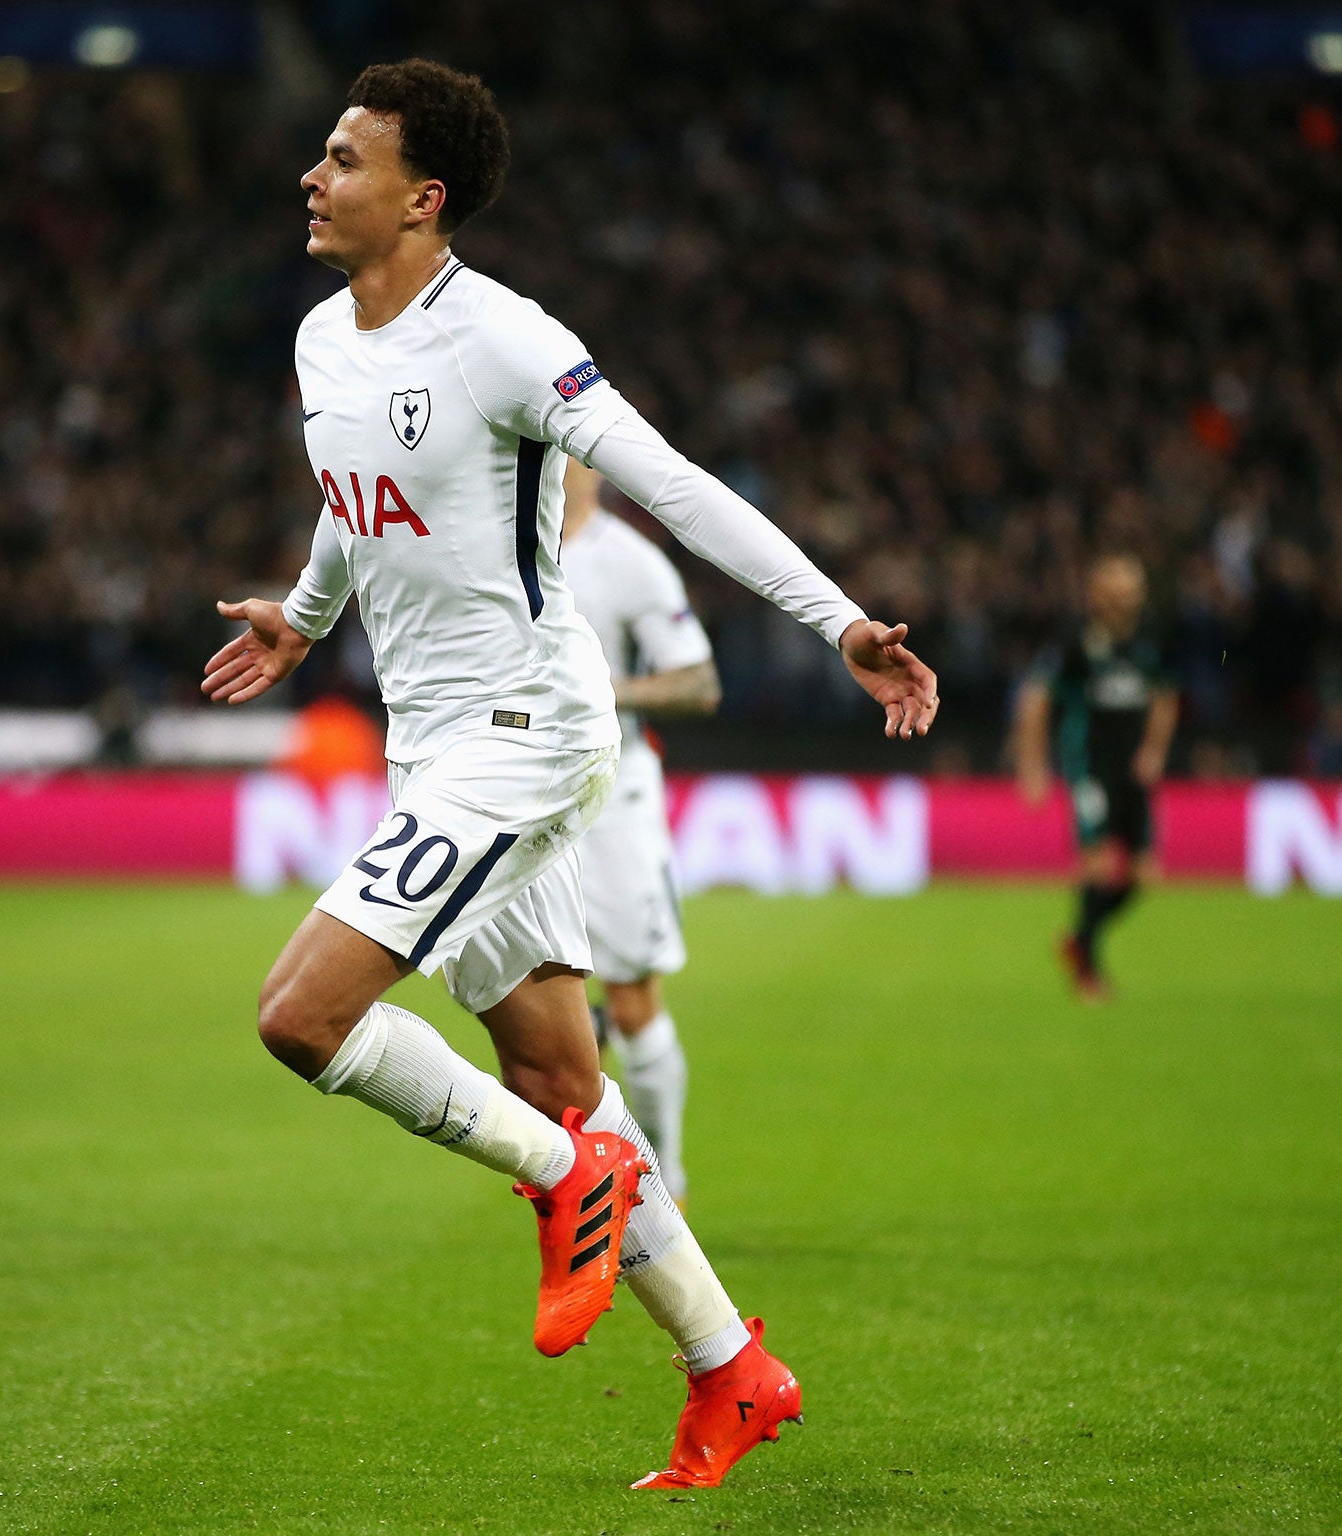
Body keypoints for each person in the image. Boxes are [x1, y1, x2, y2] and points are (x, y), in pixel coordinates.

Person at [202, 59, 938, 1490]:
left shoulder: (504, 338)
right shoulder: (319, 343)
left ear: (422, 199)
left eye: (345, 159)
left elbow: (668, 481)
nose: (314, 175)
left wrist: (839, 618)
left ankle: (567, 1184)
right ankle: (733, 1368)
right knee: (556, 1077)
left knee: (301, 1018)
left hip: (524, 736)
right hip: (436, 749)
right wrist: (301, 619)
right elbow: (361, 507)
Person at [559, 460, 718, 1207]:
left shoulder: (628, 561)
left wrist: (601, 690)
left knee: (629, 999)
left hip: (611, 802)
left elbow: (697, 681)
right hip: (516, 796)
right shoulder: (494, 540)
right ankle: (578, 1186)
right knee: (542, 1011)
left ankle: (667, 1184)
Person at [1013, 553, 1178, 1000]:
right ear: (1097, 595)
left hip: (1133, 772)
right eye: (1117, 591)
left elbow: (1165, 697)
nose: (1126, 600)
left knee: (1145, 875)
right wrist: (1033, 767)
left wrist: (1155, 750)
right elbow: (1036, 699)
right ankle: (1089, 971)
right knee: (1101, 865)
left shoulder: (1148, 641)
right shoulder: (1075, 642)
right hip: (1090, 766)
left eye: (1132, 591)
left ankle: (1078, 939)